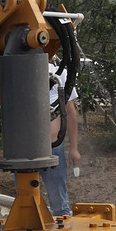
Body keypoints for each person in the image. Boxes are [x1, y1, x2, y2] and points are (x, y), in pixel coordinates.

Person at [41, 65, 80, 216]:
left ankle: (62, 222)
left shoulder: (60, 74)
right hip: (23, 150)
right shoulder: (15, 70)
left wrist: (74, 148)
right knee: (25, 198)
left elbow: (70, 113)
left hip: (52, 149)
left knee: (59, 203)